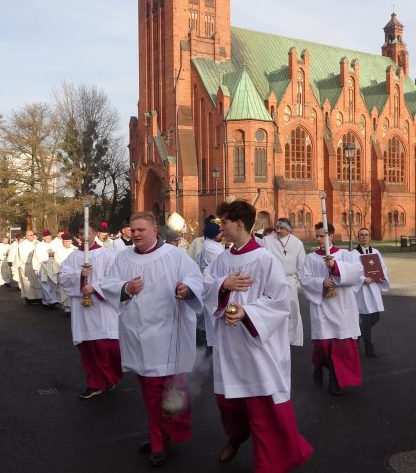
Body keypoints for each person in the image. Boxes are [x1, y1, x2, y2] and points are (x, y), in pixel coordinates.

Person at [201, 200, 313, 471]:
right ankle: (237, 436)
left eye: (224, 222)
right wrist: (222, 285)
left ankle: (269, 463)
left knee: (262, 406)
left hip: (256, 345)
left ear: (239, 224)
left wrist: (246, 313)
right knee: (228, 402)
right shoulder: (222, 259)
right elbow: (206, 286)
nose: (221, 228)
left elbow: (279, 301)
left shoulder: (265, 259)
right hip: (229, 344)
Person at [101, 211, 203, 467]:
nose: (135, 234)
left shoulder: (175, 255)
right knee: (151, 393)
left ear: (154, 230)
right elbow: (108, 284)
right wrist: (126, 288)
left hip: (170, 335)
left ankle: (164, 435)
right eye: (132, 230)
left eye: (141, 230)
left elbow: (196, 280)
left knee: (172, 392)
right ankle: (159, 438)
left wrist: (186, 289)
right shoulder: (122, 257)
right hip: (139, 337)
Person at [299, 222, 364, 396]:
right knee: (323, 344)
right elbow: (304, 279)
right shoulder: (311, 258)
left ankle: (335, 379)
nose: (319, 239)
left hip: (343, 306)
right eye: (318, 236)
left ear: (331, 236)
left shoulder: (346, 255)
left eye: (323, 235)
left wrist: (335, 268)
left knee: (342, 346)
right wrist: (321, 282)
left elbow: (357, 272)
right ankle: (318, 366)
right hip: (322, 307)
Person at [58, 228, 123, 399]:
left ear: (95, 234)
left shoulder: (108, 255)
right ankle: (95, 383)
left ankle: (111, 377)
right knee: (88, 348)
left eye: (89, 233)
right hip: (82, 310)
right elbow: (62, 278)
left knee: (108, 347)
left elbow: (116, 278)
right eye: (81, 234)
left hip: (103, 309)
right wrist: (79, 275)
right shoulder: (72, 257)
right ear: (77, 237)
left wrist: (94, 287)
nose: (85, 237)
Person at [262, 217, 307, 346]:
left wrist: (303, 283)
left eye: (281, 228)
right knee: (274, 309)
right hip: (274, 280)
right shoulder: (267, 240)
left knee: (292, 310)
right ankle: (274, 337)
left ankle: (291, 338)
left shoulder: (297, 243)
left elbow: (301, 264)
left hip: (290, 280)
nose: (278, 230)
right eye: (277, 227)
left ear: (288, 229)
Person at [351, 227, 390, 358]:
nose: (364, 237)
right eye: (361, 235)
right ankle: (369, 347)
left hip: (373, 288)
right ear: (358, 237)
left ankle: (356, 337)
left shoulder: (376, 252)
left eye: (366, 235)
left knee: (376, 316)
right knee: (366, 319)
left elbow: (382, 268)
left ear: (369, 237)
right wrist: (362, 279)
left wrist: (381, 277)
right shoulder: (353, 254)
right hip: (362, 290)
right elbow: (351, 272)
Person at [14, 230, 42, 305]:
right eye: (30, 235)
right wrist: (33, 255)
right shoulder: (22, 245)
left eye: (33, 235)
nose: (32, 236)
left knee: (38, 282)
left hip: (36, 266)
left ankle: (39, 298)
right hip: (27, 266)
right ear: (26, 236)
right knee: (28, 283)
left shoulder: (37, 243)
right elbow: (22, 257)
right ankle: (29, 299)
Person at [35, 229, 60, 308]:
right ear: (43, 238)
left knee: (53, 283)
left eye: (50, 237)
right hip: (43, 267)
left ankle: (53, 299)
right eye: (48, 237)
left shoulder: (54, 244)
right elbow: (38, 256)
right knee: (45, 284)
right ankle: (47, 300)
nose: (50, 239)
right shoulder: (39, 245)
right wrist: (48, 255)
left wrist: (54, 255)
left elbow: (58, 253)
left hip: (52, 267)